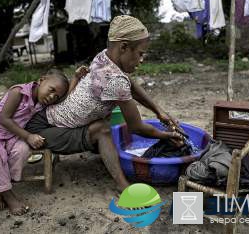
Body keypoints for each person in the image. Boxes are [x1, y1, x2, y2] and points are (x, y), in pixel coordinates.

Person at [25, 15, 183, 192]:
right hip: (43, 130)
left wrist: (157, 110)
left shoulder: (103, 57)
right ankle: (122, 184)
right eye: (140, 53)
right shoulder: (115, 81)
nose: (142, 59)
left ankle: (99, 148)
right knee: (102, 129)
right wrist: (167, 136)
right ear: (123, 47)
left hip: (50, 116)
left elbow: (129, 82)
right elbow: (136, 127)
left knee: (104, 120)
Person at [0, 67, 88, 215]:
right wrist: (28, 136)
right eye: (51, 90)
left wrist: (75, 77)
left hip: (13, 135)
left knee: (22, 151)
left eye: (55, 96)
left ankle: (2, 187)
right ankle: (8, 195)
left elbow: (65, 98)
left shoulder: (42, 101)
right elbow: (4, 119)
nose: (52, 97)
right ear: (42, 80)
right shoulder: (18, 92)